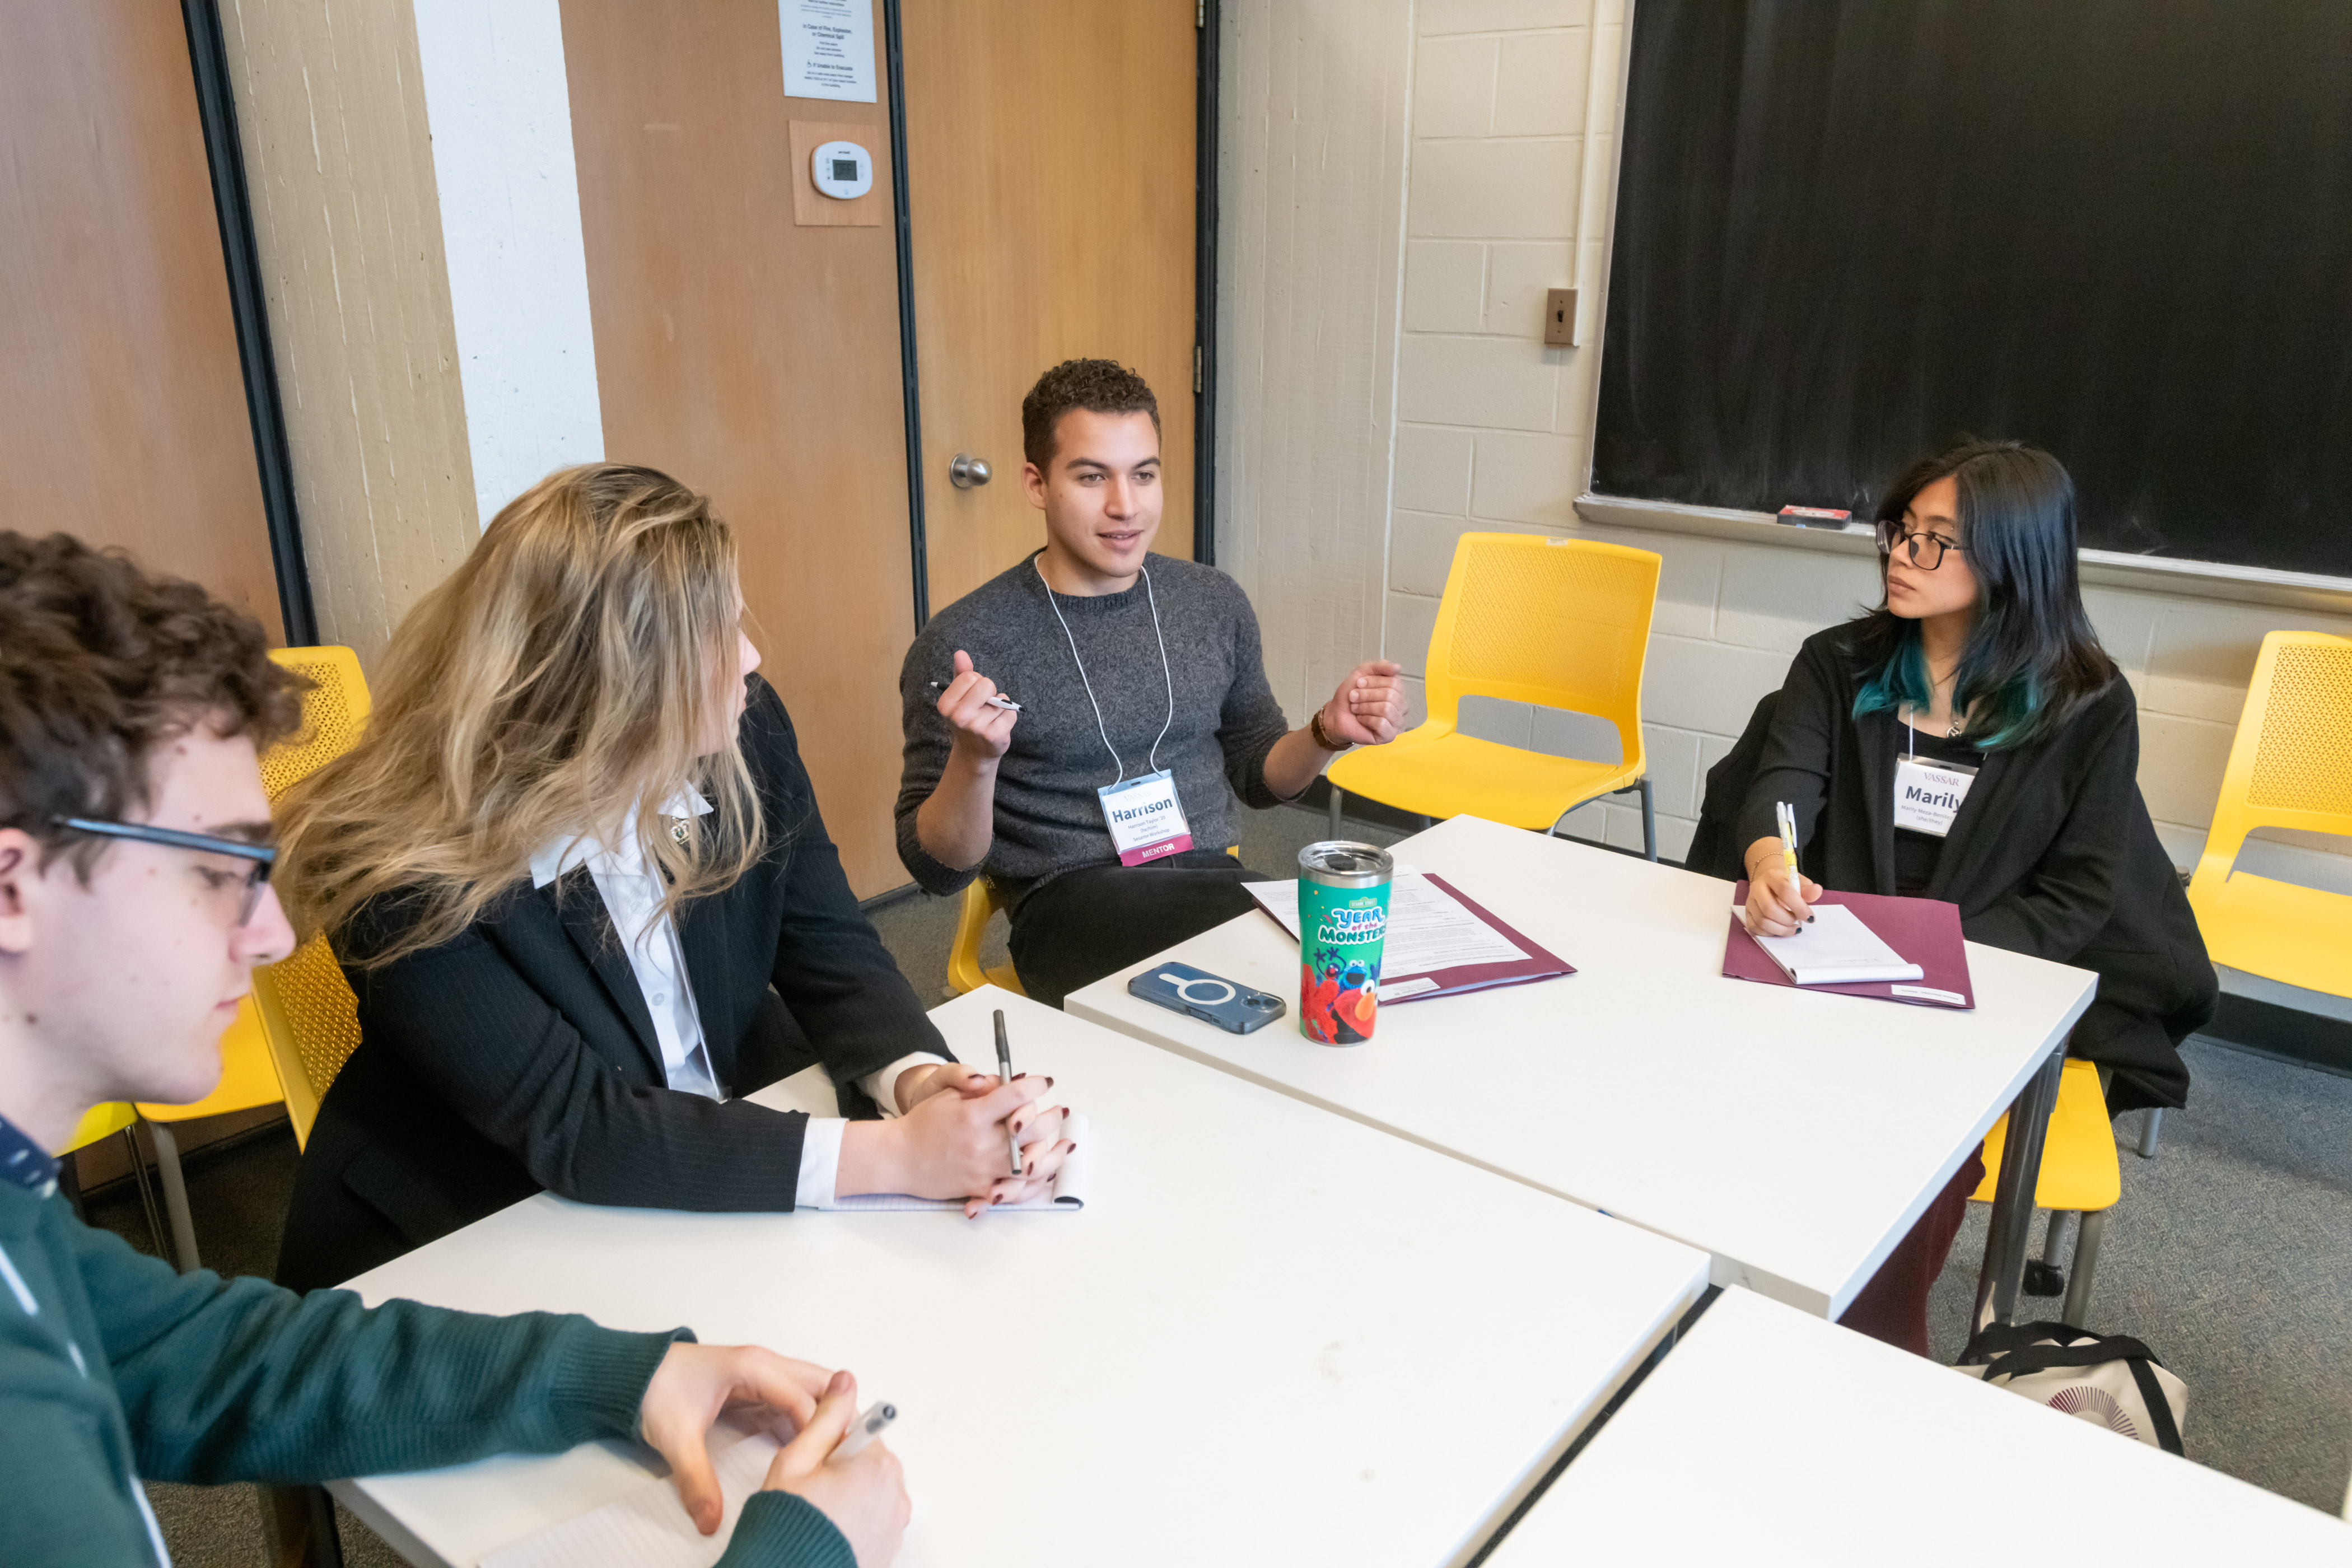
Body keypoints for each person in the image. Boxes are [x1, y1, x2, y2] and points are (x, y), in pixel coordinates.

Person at [0, 531, 907, 1566]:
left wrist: (619, 1377)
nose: (271, 937)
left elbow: (208, 1358)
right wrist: (800, 1550)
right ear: (15, 888)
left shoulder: (29, 1229)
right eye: (220, 869)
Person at [274, 465, 1072, 1292]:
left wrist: (917, 1082)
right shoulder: (396, 864)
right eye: (717, 637)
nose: (753, 657)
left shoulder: (744, 726)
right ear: (606, 683)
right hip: (472, 1224)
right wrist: (900, 1155)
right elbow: (580, 1128)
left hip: (699, 1147)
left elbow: (824, 942)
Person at [1721, 438, 2214, 1355]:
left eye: (1935, 542)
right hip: (1829, 949)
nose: (1903, 556)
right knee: (1732, 1096)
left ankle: (1863, 1357)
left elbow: (2077, 900)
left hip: (1979, 977)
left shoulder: (2088, 706)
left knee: (1910, 1150)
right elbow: (1784, 781)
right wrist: (1768, 862)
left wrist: (1922, 956)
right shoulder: (1839, 663)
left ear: (2013, 561)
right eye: (1902, 533)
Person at [898, 358, 1408, 1006]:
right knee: (1310, 961)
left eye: (1144, 474)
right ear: (1036, 483)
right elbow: (938, 868)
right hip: (1071, 905)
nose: (1126, 506)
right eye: (1092, 477)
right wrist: (974, 762)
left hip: (1207, 881)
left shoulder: (1211, 602)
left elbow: (1259, 777)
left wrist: (1324, 733)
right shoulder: (965, 643)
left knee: (1330, 967)